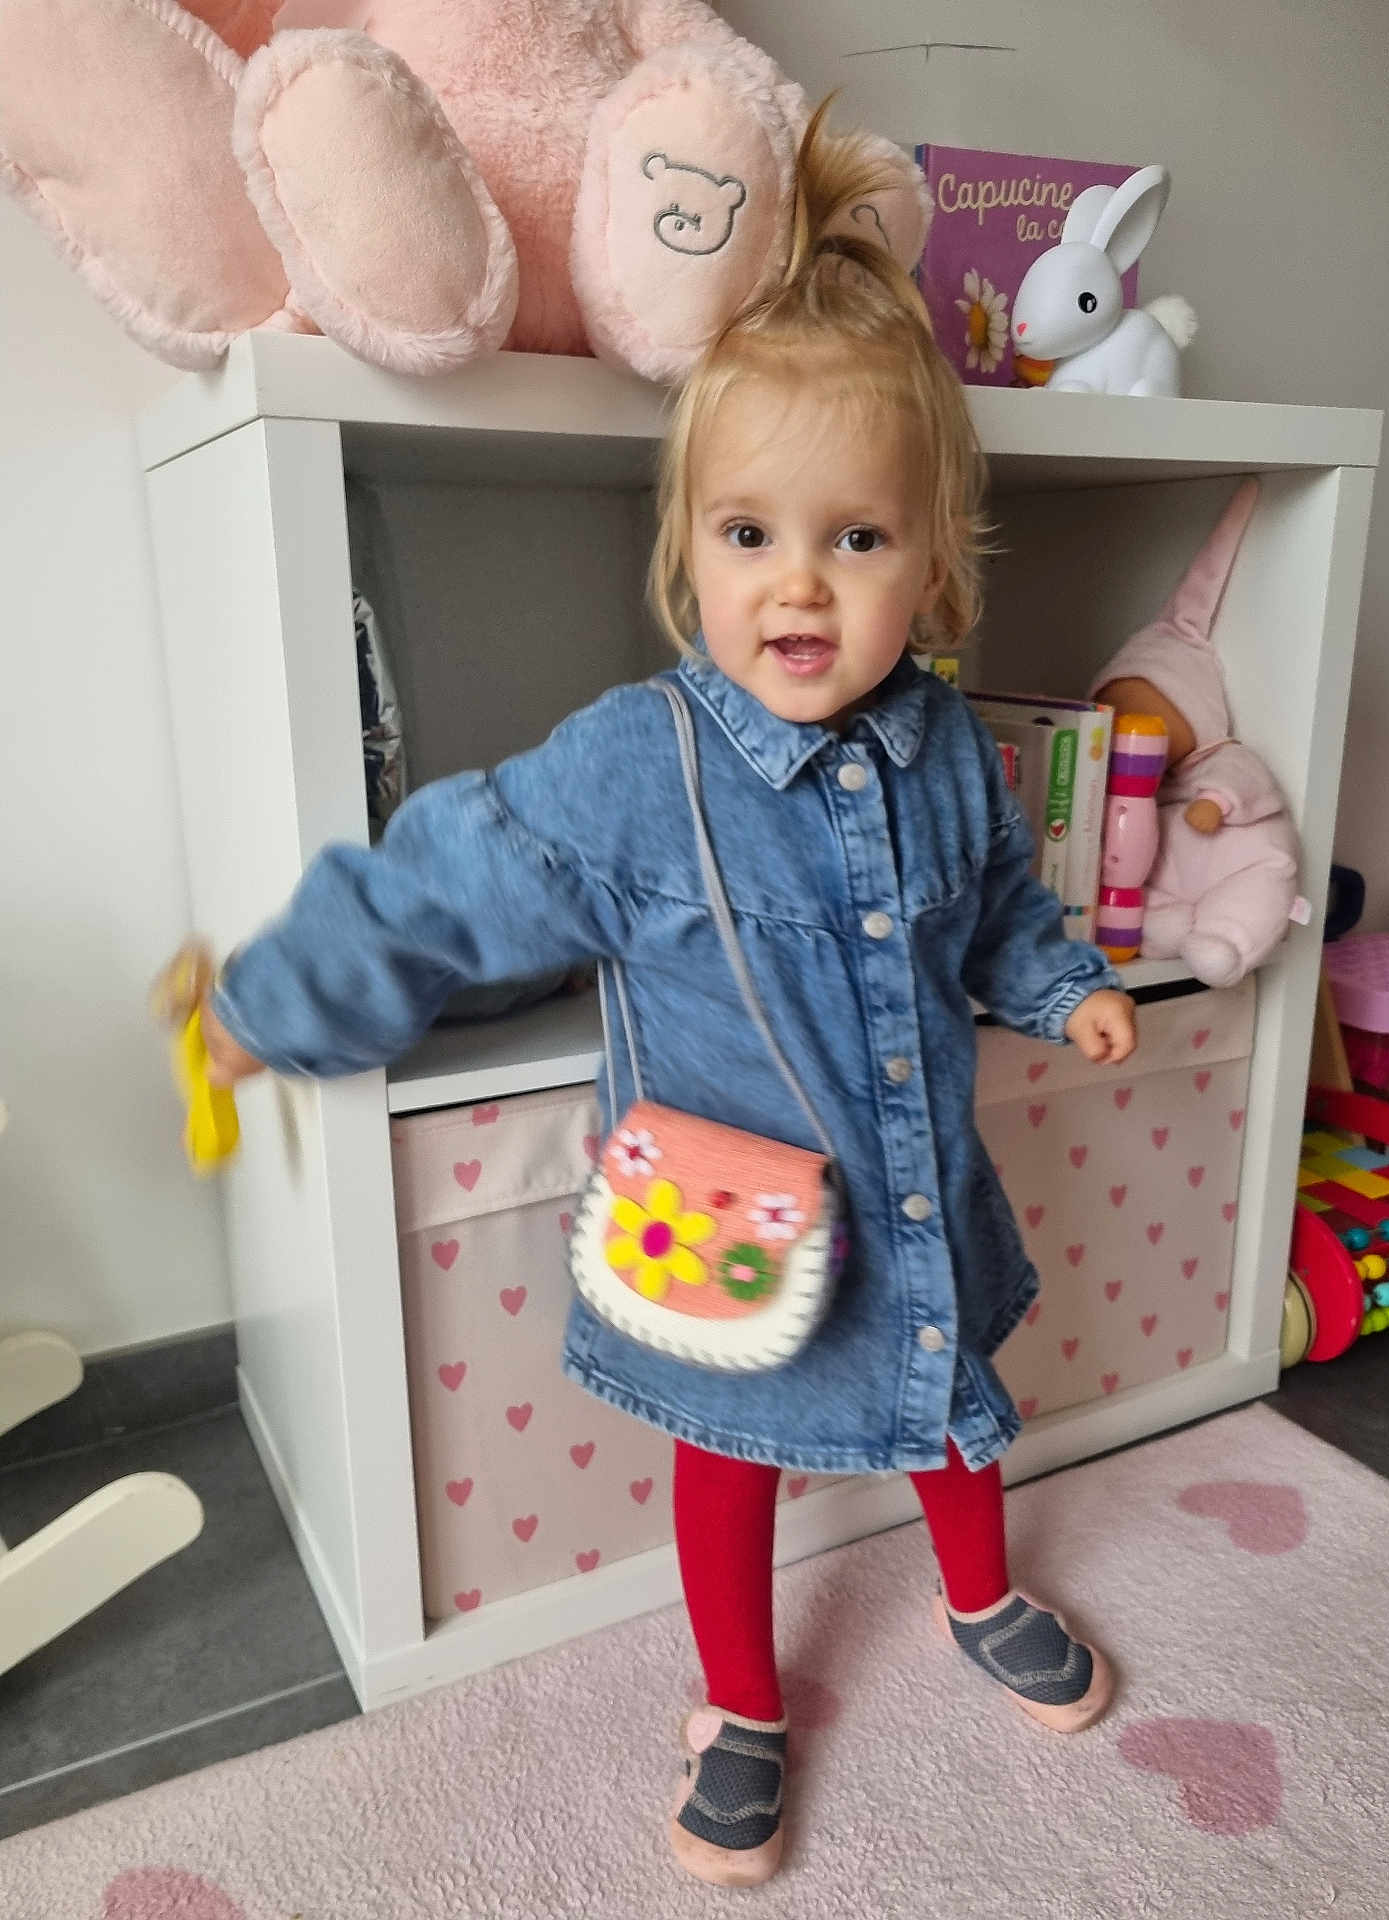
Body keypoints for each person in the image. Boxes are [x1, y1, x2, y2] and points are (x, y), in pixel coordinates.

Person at [159, 102, 1137, 1890]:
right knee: (728, 1459)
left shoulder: (947, 752)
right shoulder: (639, 766)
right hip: (734, 1228)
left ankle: (981, 1595)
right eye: (751, 532)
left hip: (917, 1205)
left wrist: (1061, 982)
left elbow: (995, 906)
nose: (799, 583)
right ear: (687, 547)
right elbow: (443, 883)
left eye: (858, 539)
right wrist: (274, 1002)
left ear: (935, 566)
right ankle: (743, 1705)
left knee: (952, 1405)